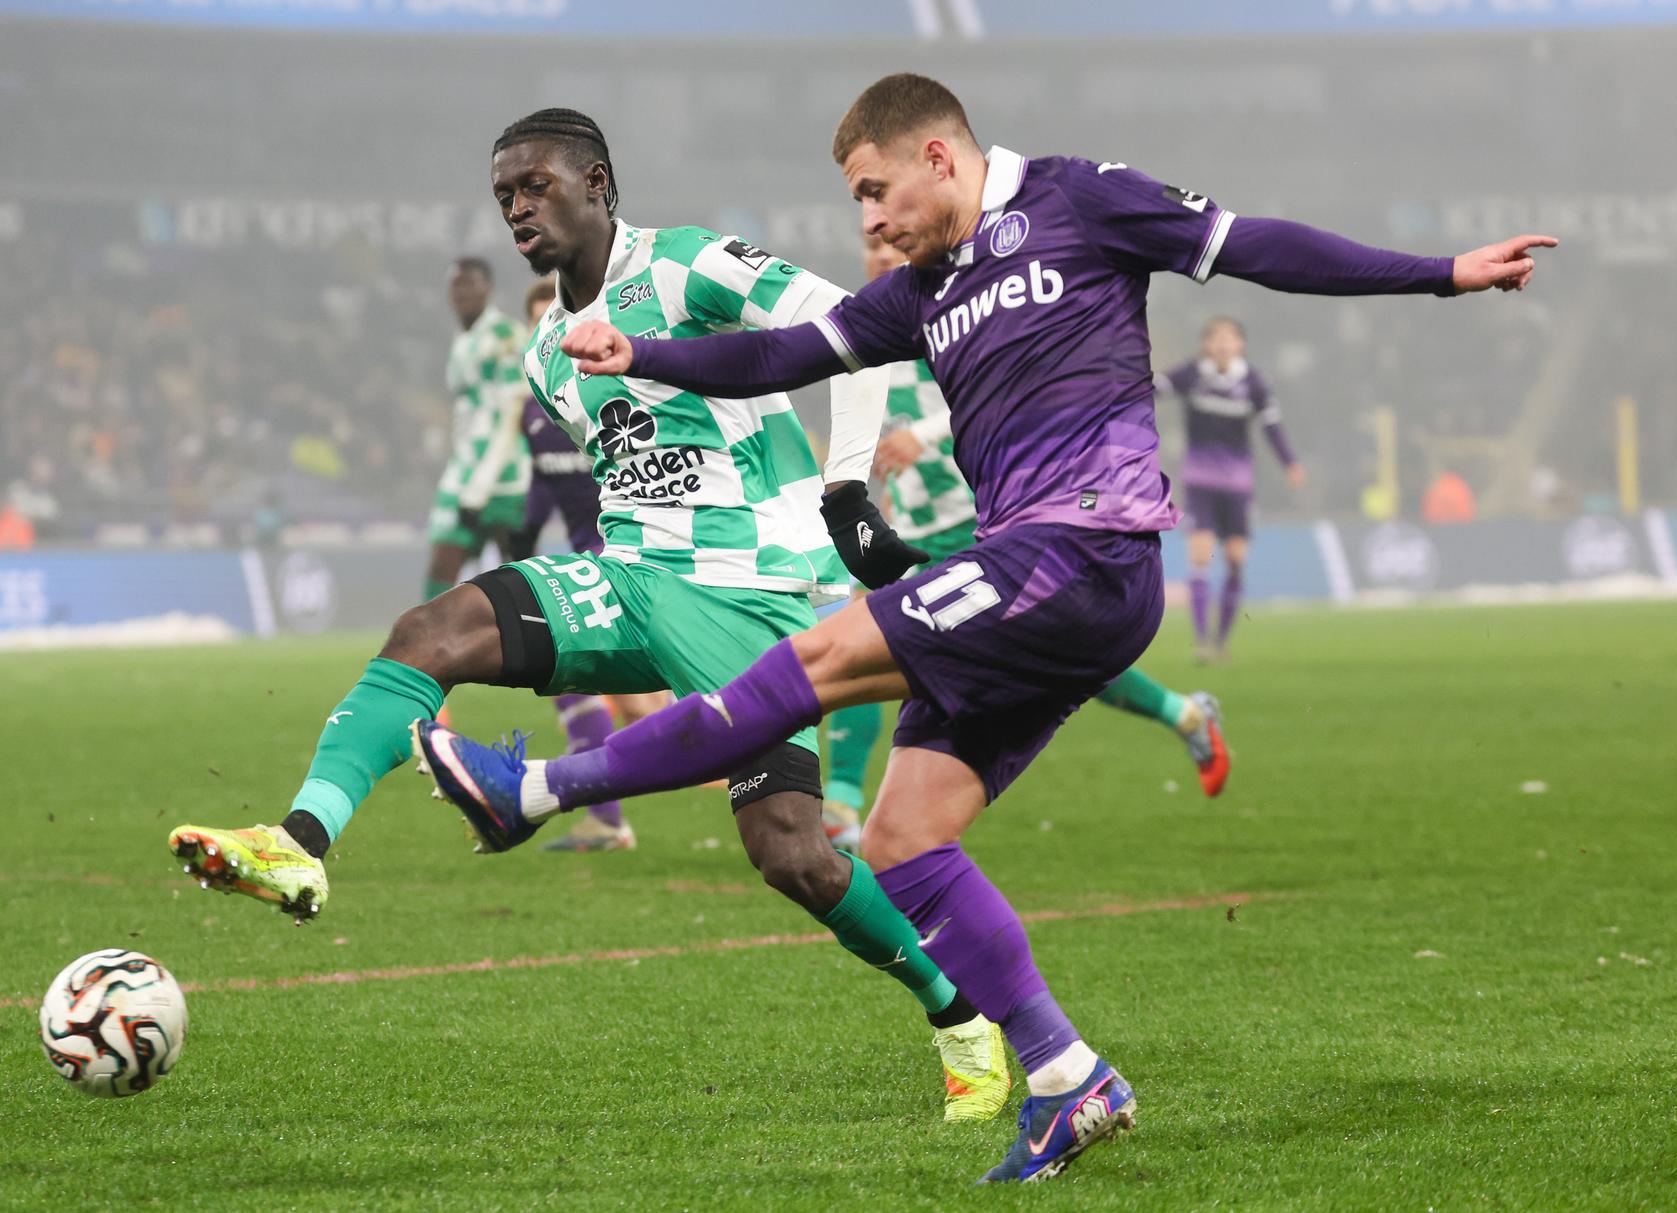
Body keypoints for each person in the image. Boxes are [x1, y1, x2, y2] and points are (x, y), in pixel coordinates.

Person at [415, 74, 1555, 1183]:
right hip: (1036, 570)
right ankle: (1067, 1072)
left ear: (938, 157)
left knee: (804, 664)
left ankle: (542, 792)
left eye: (874, 192)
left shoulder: (1078, 200)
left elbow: (1256, 245)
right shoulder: (924, 290)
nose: (866, 221)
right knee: (906, 841)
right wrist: (646, 352)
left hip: (1084, 548)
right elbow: (781, 356)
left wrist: (1445, 274)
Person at [167, 107, 1014, 1124]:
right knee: (427, 634)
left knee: (791, 851)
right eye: (505, 197)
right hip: (626, 576)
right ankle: (298, 839)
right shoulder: (543, 353)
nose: (520, 208)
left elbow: (866, 340)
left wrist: (845, 498)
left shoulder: (693, 268)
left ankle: (959, 1013)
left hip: (751, 593)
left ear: (598, 180)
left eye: (537, 186)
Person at [822, 233, 1231, 846]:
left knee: (1050, 656)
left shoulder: (954, 309)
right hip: (908, 523)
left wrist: (926, 437)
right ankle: (845, 808)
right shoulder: (873, 325)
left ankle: (1186, 712)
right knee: (857, 643)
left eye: (889, 243)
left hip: (981, 518)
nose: (879, 254)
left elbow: (1006, 396)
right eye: (868, 245)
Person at [512, 275, 654, 853]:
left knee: (589, 677)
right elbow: (545, 488)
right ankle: (607, 817)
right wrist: (518, 540)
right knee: (579, 677)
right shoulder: (533, 406)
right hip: (584, 554)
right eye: (542, 321)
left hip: (632, 551)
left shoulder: (619, 388)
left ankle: (608, 816)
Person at [1157, 317, 1304, 662]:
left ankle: (1221, 641)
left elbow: (1272, 425)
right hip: (1200, 481)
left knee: (1236, 558)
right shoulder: (1193, 374)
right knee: (1200, 554)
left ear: (1241, 345)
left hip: (1238, 484)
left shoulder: (1252, 381)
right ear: (1207, 344)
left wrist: (1290, 462)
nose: (1223, 344)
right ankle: (1202, 641)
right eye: (1216, 338)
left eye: (1230, 338)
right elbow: (1152, 387)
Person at [423, 258, 532, 602]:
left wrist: (483, 482)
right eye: (456, 285)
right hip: (465, 468)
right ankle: (431, 649)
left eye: (470, 283)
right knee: (442, 564)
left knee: (517, 573)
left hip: (506, 471)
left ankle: (533, 650)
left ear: (488, 288)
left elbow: (514, 410)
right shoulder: (462, 339)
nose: (462, 292)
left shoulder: (505, 335)